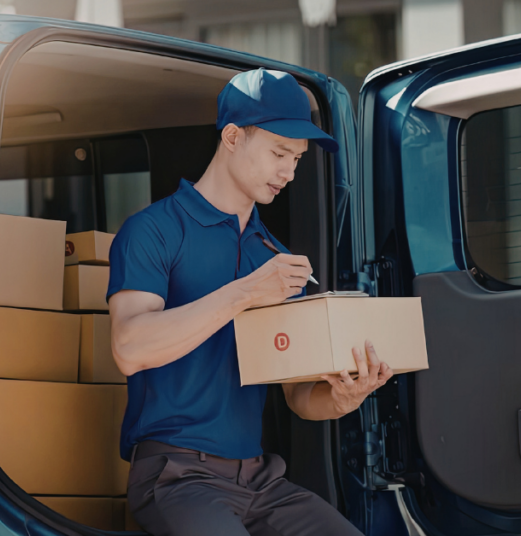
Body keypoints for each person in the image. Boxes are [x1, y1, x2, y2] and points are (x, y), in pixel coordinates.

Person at [107, 68, 393, 536]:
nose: (289, 172)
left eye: (297, 159)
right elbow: (129, 348)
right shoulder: (154, 230)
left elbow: (298, 396)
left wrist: (344, 398)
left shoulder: (273, 256)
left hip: (262, 481)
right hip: (176, 475)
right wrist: (247, 293)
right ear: (233, 137)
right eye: (280, 153)